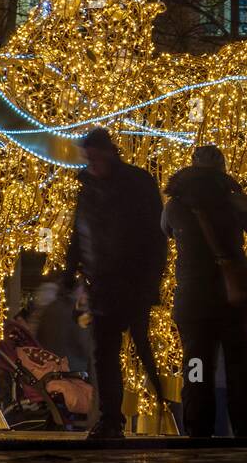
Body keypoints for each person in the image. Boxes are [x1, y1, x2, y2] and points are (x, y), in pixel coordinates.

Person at [62, 128, 168, 440]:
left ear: (109, 152)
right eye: (88, 157)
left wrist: (150, 282)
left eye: (95, 156)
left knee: (137, 347)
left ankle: (155, 402)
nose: (91, 162)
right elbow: (78, 233)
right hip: (103, 283)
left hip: (130, 281)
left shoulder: (135, 183)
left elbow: (154, 237)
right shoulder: (90, 188)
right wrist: (71, 271)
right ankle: (111, 419)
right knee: (105, 353)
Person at [162, 145, 247, 438]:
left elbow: (167, 231)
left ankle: (198, 428)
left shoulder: (175, 204)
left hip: (193, 297)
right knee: (240, 366)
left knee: (196, 364)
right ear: (222, 169)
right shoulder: (231, 198)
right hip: (230, 295)